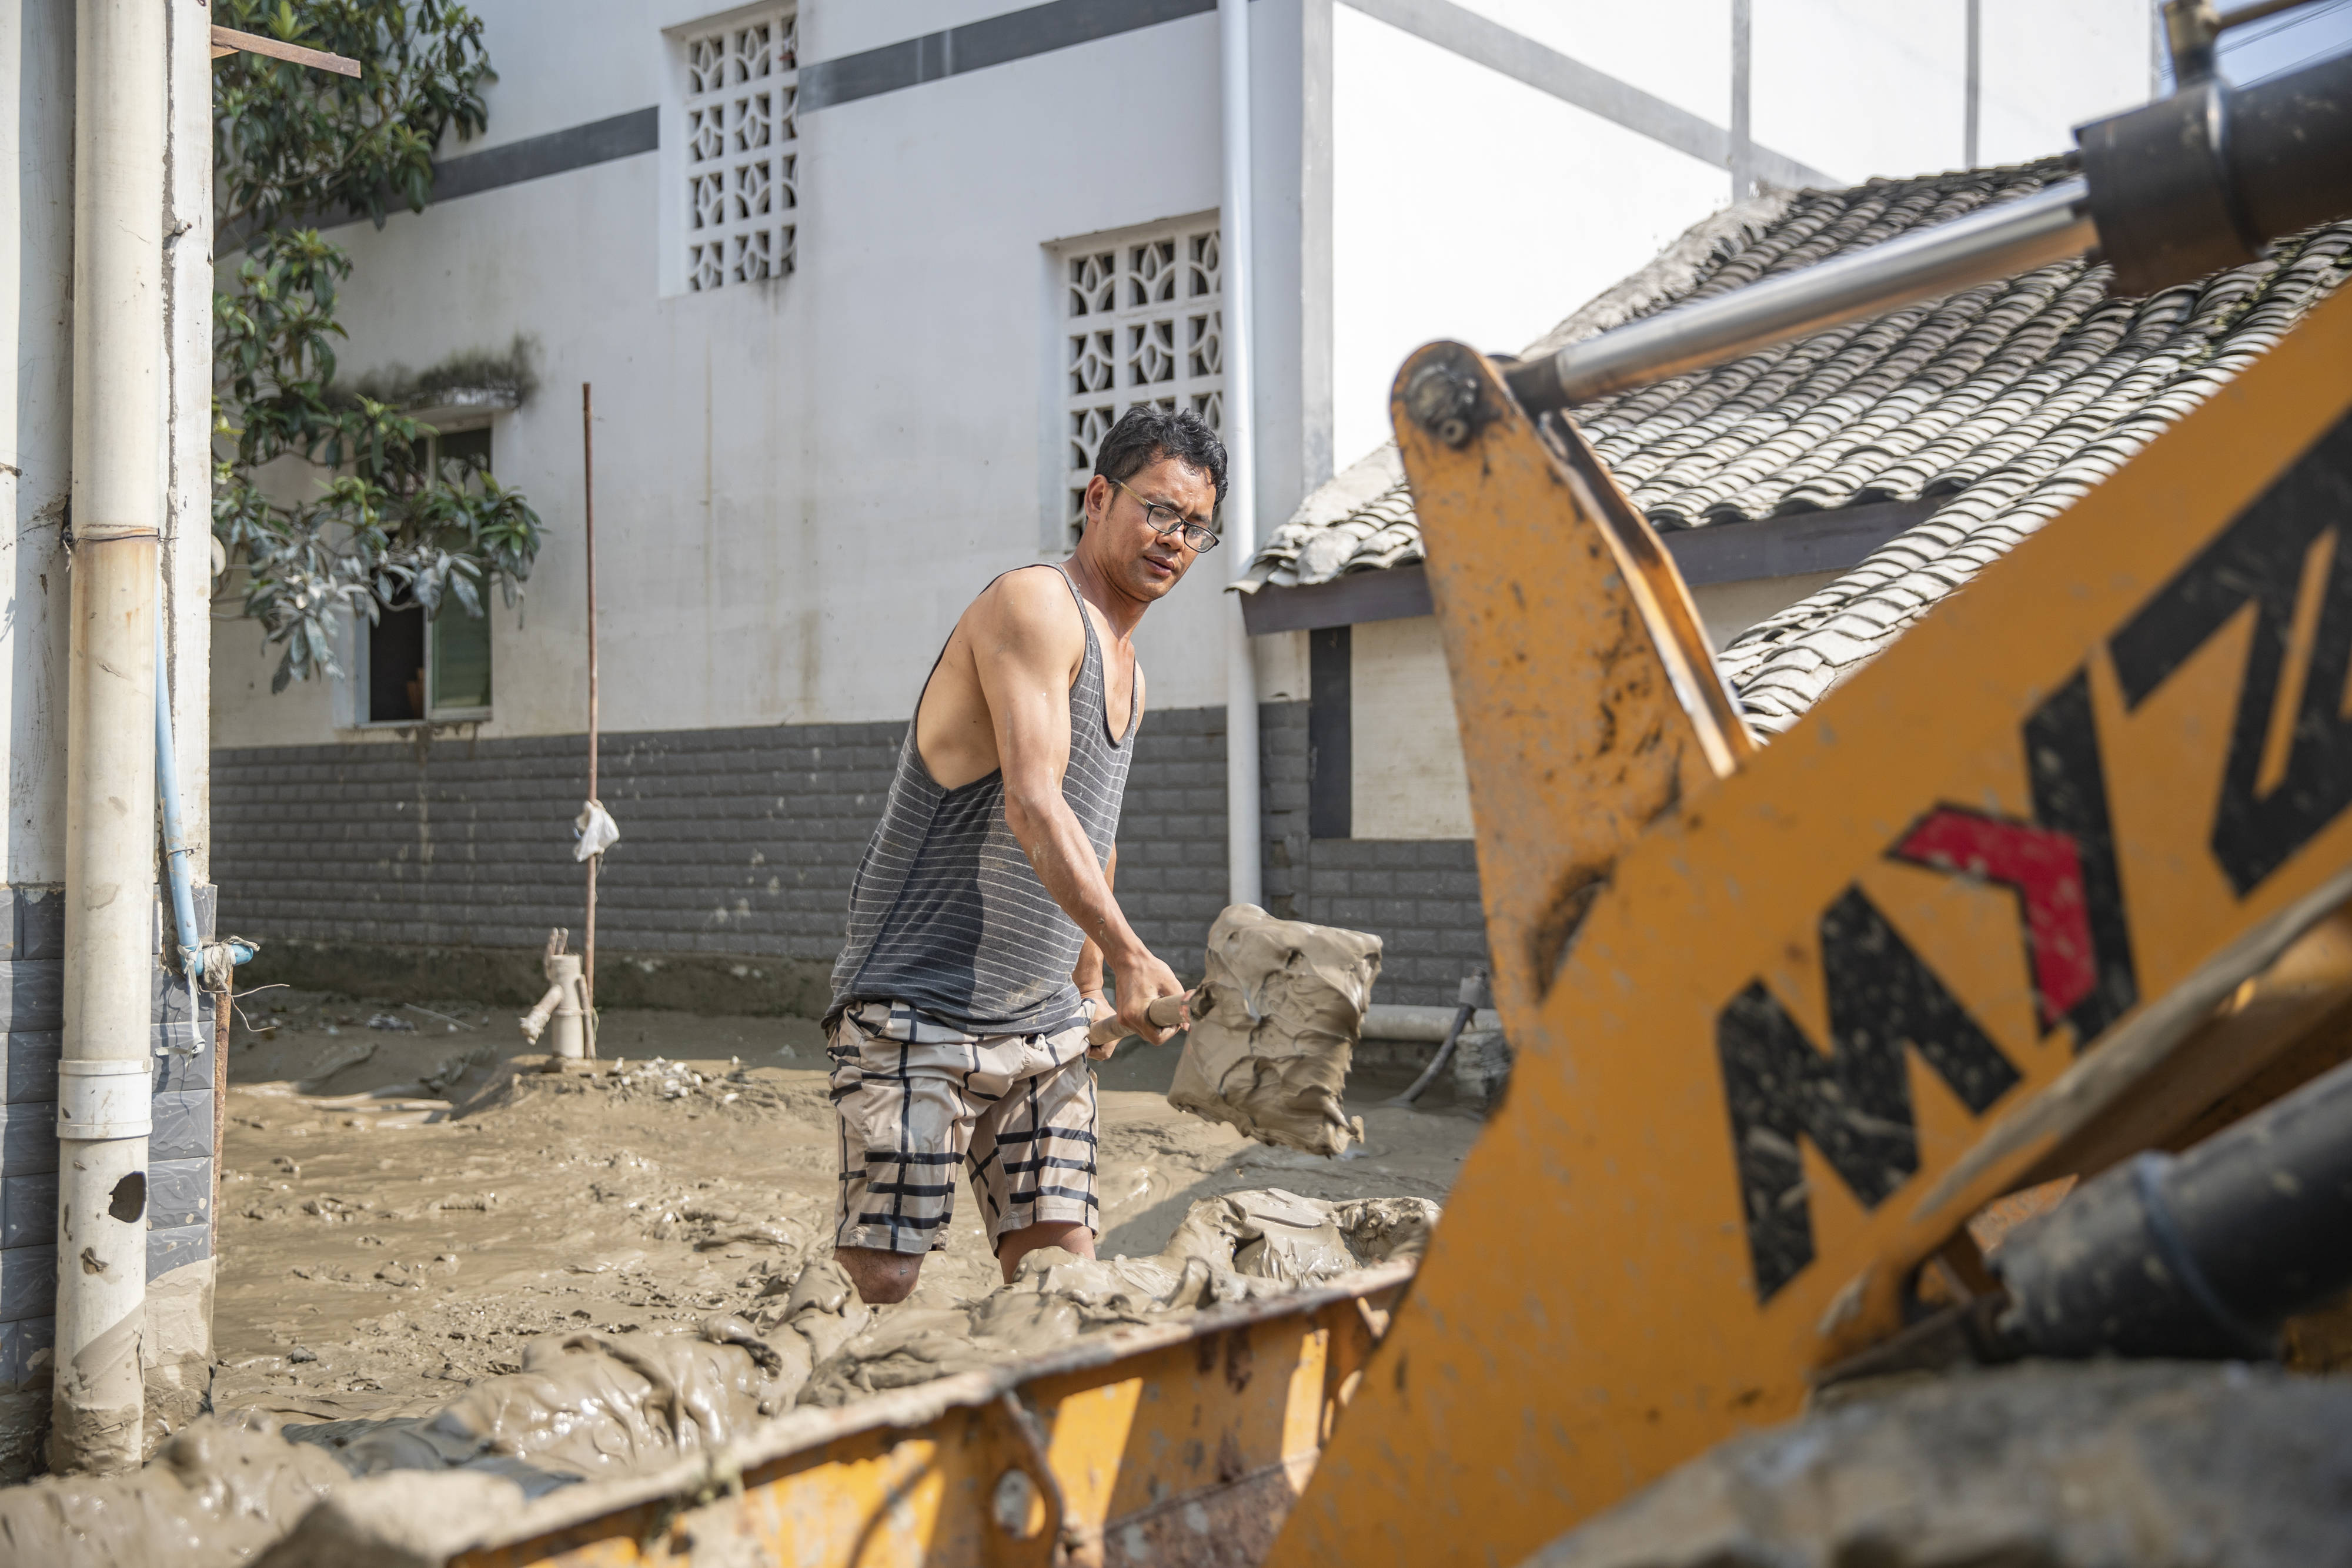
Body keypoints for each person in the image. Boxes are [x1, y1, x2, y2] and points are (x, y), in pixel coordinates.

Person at [821, 406, 1225, 1305]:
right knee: (883, 1276)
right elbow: (1033, 802)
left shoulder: (1133, 669)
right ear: (1098, 497)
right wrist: (1129, 953)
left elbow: (1095, 828)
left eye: (1196, 527)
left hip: (1041, 1026)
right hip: (915, 1002)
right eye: (1158, 511)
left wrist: (1089, 987)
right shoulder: (1036, 604)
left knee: (1060, 1283)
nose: (1175, 540)